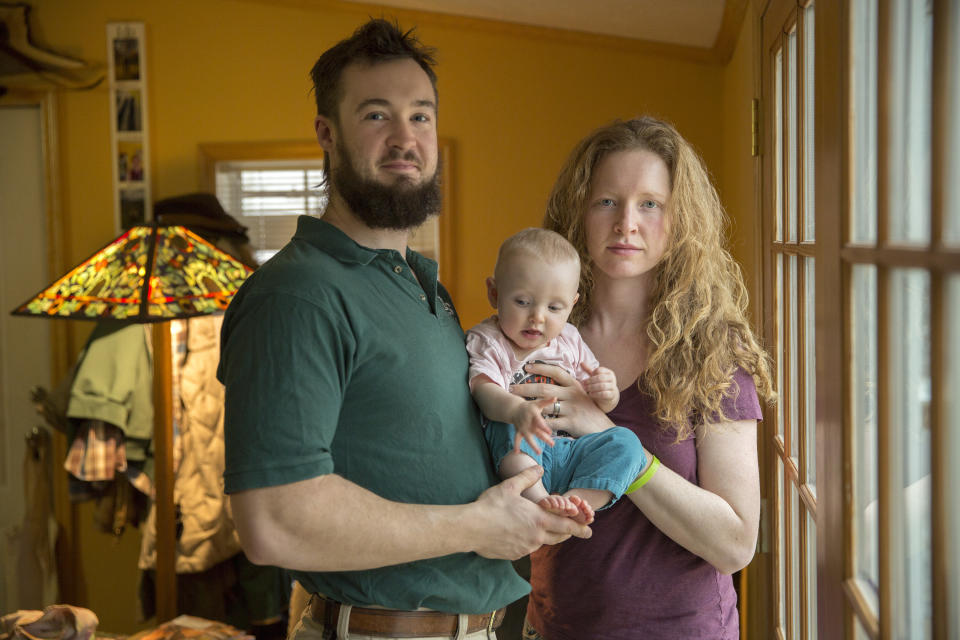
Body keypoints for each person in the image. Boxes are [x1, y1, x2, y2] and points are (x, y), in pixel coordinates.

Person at [216, 19, 591, 640]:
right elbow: (273, 520)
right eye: (375, 115)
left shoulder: (426, 290)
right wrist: (478, 525)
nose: (404, 138)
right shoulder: (299, 295)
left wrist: (530, 501)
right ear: (326, 134)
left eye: (421, 116)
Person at [518, 117, 776, 640]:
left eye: (650, 203)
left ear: (680, 220)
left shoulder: (712, 352)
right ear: (578, 212)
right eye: (607, 201)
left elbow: (735, 544)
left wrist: (616, 445)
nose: (626, 224)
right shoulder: (537, 339)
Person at [465, 228, 647, 525]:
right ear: (494, 293)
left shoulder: (570, 340)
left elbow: (595, 405)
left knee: (627, 443)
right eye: (523, 302)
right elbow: (483, 391)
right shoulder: (489, 340)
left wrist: (606, 392)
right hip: (521, 448)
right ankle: (539, 502)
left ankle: (576, 503)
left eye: (553, 307)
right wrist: (517, 411)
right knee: (509, 429)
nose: (538, 316)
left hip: (568, 451)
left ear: (571, 304)